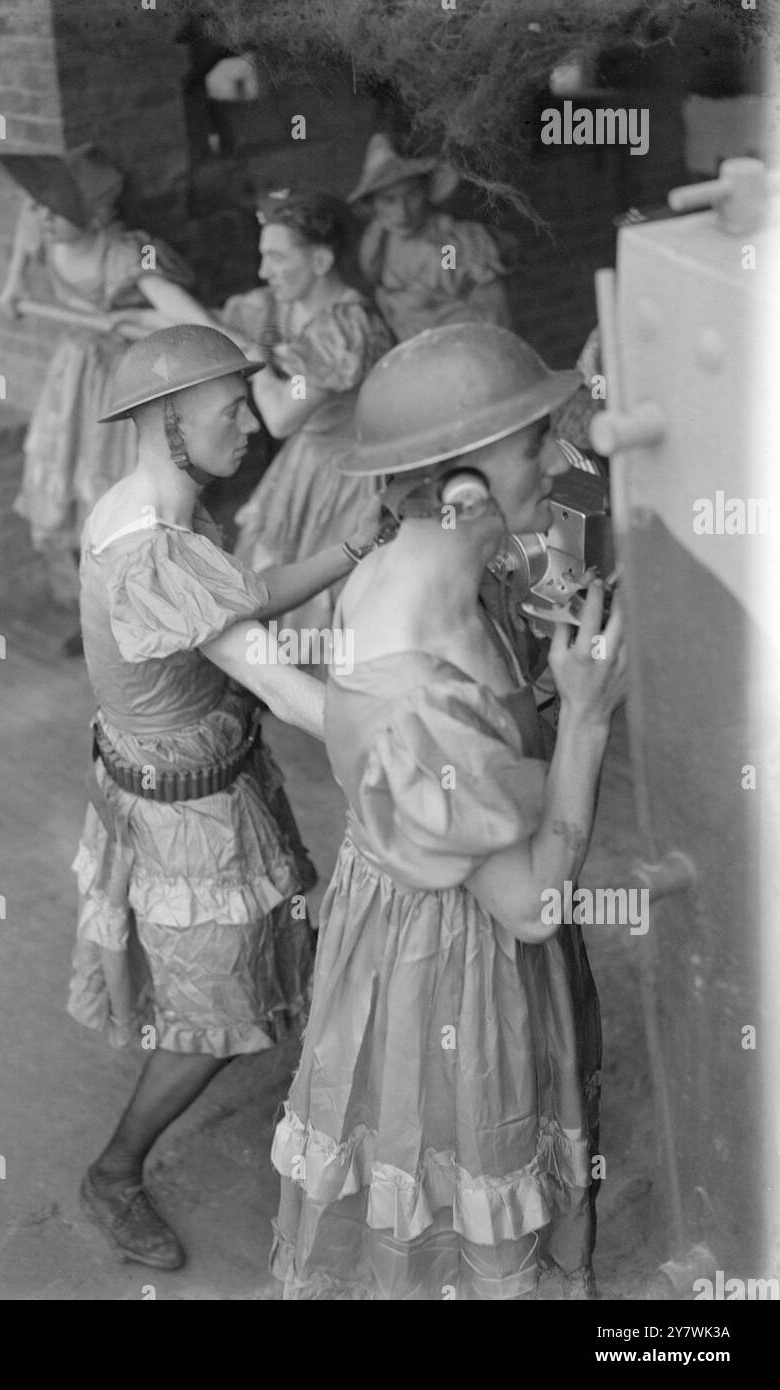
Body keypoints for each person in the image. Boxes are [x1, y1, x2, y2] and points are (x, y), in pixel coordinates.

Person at [270, 324, 625, 1300]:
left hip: (399, 922)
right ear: (461, 487)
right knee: (471, 1170)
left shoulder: (410, 561)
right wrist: (587, 718)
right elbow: (531, 908)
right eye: (532, 445)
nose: (554, 459)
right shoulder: (416, 694)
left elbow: (553, 549)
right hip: (460, 960)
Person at [70, 325, 386, 1271]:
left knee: (264, 951)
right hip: (188, 822)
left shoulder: (150, 510)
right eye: (230, 409)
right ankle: (115, 1171)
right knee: (214, 1014)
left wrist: (341, 552)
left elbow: (238, 600)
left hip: (202, 783)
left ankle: (325, 1080)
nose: (252, 423)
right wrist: (413, 747)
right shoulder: (152, 552)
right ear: (168, 419)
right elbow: (282, 686)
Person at [0, 144, 214, 619]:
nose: (39, 217)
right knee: (66, 476)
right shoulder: (49, 230)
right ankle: (95, 608)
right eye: (37, 205)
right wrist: (14, 283)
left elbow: (173, 305)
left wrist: (216, 334)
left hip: (120, 380)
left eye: (53, 209)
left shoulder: (119, 252)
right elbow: (25, 226)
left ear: (93, 216)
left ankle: (139, 605)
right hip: (73, 373)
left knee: (112, 484)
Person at [217, 190, 394, 637]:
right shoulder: (286, 305)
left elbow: (279, 417)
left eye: (277, 258)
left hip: (347, 475)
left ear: (320, 261)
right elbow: (214, 319)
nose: (263, 271)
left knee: (328, 600)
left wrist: (253, 362)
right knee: (280, 579)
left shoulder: (344, 327)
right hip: (306, 463)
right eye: (263, 257)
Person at [347, 132, 514, 343]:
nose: (402, 212)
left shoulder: (456, 242)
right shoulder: (376, 246)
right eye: (389, 200)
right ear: (373, 204)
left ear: (426, 192)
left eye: (412, 195)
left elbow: (494, 316)